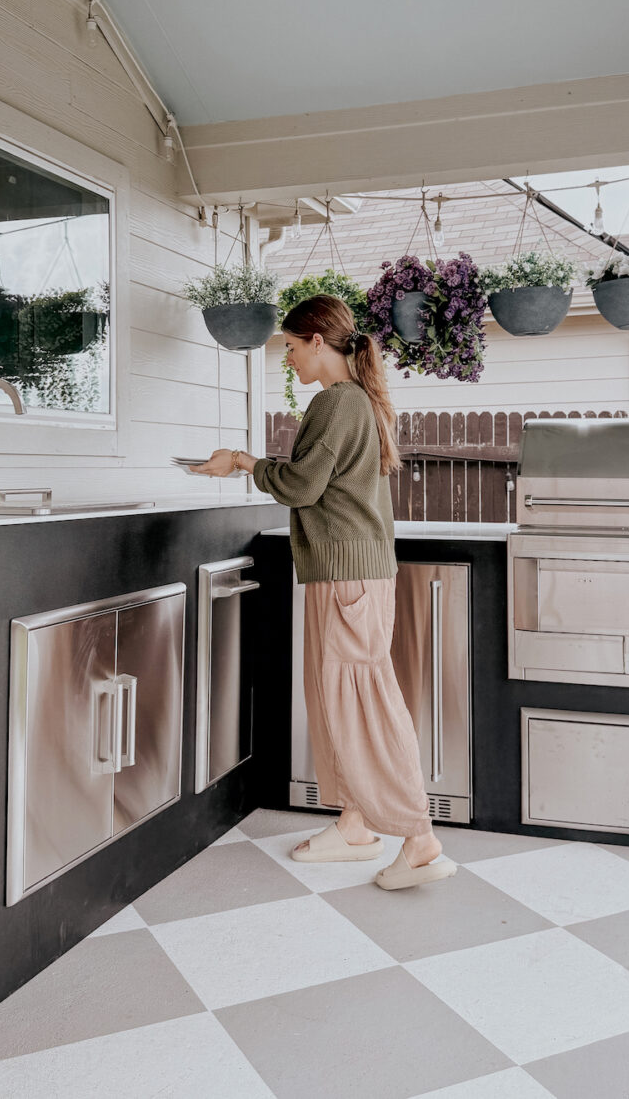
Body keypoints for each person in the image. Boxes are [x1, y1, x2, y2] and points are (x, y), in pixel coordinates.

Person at [195, 294, 456, 890]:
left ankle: (420, 839)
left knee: (363, 701)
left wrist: (241, 461)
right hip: (345, 576)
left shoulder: (338, 402)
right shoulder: (349, 401)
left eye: (289, 345)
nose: (285, 357)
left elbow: (302, 485)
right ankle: (356, 823)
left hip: (347, 579)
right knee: (341, 697)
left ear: (318, 341)